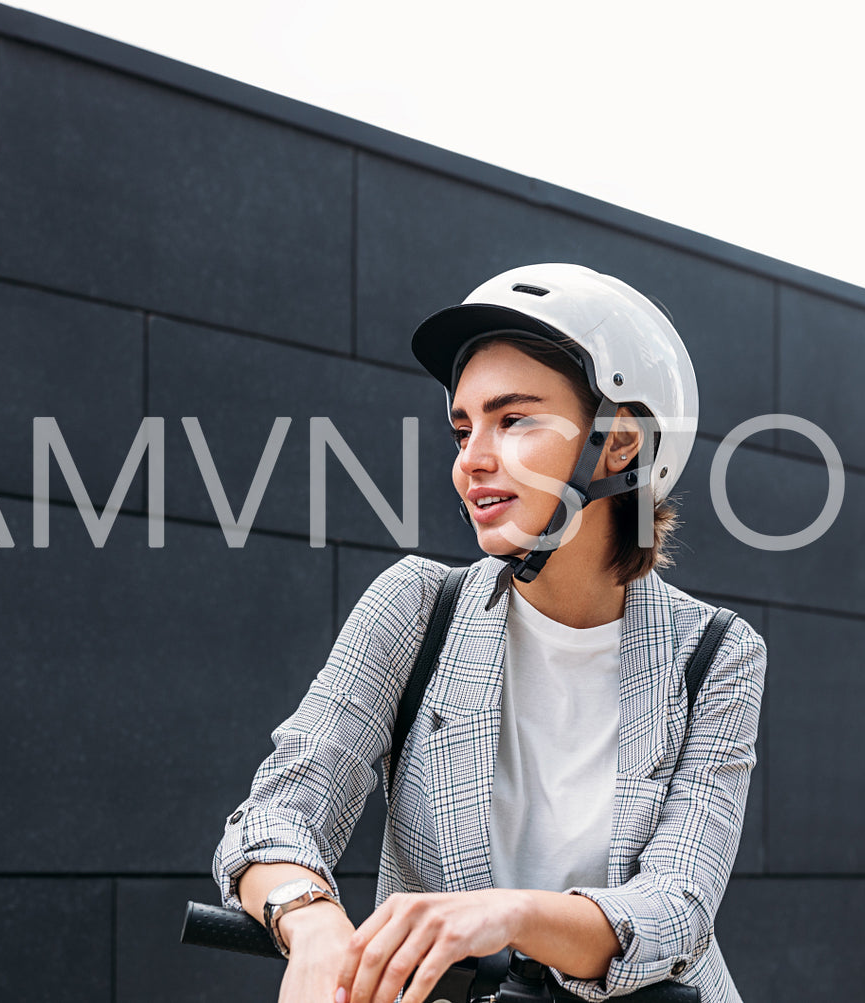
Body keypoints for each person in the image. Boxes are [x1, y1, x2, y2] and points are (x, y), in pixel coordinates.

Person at [212, 263, 768, 1003]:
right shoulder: (415, 606)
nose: (471, 458)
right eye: (463, 427)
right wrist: (309, 922)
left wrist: (505, 913)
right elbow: (277, 813)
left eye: (513, 419)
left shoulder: (717, 651)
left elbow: (677, 906)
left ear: (620, 441)